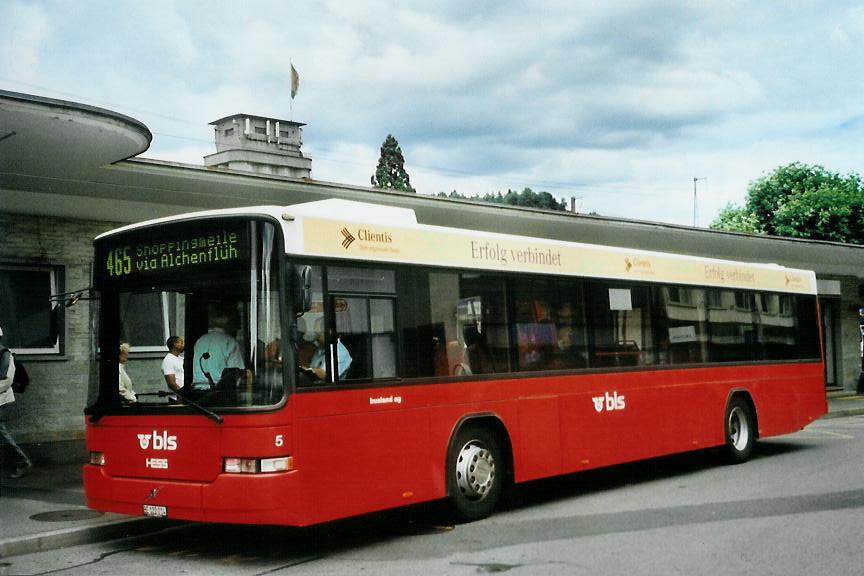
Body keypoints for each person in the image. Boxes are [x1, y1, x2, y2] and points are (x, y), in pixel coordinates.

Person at [0, 327, 32, 479]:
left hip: (1, 398)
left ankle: (22, 461)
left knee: (1, 432)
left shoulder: (4, 354)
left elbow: (5, 381)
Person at [192, 305, 245, 390]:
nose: (238, 328)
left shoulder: (200, 341)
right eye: (237, 324)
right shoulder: (230, 342)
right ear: (230, 323)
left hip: (198, 394)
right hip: (220, 394)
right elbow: (237, 375)